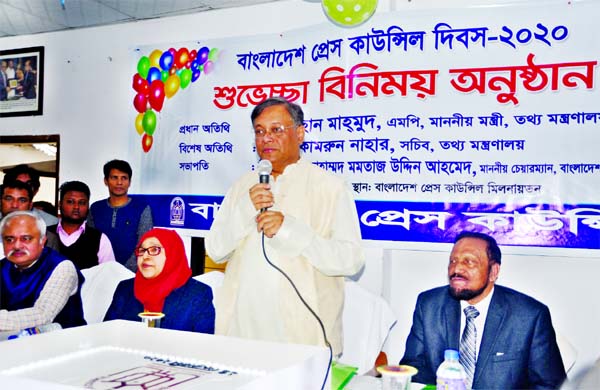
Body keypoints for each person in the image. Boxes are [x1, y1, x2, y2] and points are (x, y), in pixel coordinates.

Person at [205, 97, 364, 355]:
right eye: (259, 131)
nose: (266, 138)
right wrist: (246, 209)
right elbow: (216, 250)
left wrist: (291, 231)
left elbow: (351, 261)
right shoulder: (242, 187)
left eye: (276, 129)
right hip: (241, 333)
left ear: (300, 133)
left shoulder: (330, 187)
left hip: (301, 337)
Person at [400, 231, 566, 389]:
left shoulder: (530, 316)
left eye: (469, 262)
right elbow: (413, 368)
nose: (456, 269)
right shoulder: (429, 305)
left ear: (493, 272)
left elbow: (551, 385)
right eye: (453, 261)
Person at [104, 228, 214, 333]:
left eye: (154, 249)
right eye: (141, 250)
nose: (145, 256)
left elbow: (203, 347)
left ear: (173, 253)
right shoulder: (125, 289)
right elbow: (107, 334)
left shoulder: (198, 294)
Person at [0, 211, 86, 331]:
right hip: (12, 338)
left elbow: (43, 315)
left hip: (60, 340)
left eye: (26, 238)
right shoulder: (3, 266)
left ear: (42, 241)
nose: (17, 246)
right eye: (9, 239)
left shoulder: (62, 267)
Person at [89, 159, 153, 271]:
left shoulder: (142, 208)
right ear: (105, 181)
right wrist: (101, 271)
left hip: (131, 275)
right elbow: (91, 244)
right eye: (114, 178)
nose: (119, 183)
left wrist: (123, 272)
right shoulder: (95, 208)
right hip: (100, 273)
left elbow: (144, 244)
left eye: (124, 178)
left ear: (129, 182)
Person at [47, 181, 116, 270]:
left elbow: (109, 274)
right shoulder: (44, 235)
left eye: (82, 202)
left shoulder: (99, 239)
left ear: (88, 206)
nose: (76, 207)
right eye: (70, 202)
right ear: (60, 204)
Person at [0, 180, 60, 256]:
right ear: (0, 202)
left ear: (30, 205)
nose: (14, 205)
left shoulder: (47, 237)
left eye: (22, 200)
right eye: (9, 199)